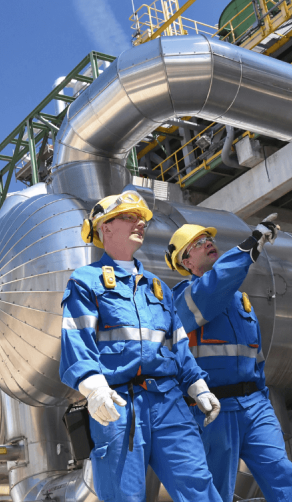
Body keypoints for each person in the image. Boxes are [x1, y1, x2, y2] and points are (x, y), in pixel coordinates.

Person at [59, 190, 224, 502]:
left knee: (199, 487)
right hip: (118, 403)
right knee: (123, 495)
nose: (140, 223)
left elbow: (177, 344)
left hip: (169, 401)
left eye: (142, 219)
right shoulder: (86, 281)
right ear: (104, 228)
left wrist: (198, 387)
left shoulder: (158, 287)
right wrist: (94, 388)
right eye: (129, 217)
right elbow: (76, 339)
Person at [165, 218, 292, 502]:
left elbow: (255, 357)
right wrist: (249, 246)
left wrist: (263, 398)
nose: (208, 243)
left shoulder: (240, 301)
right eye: (197, 243)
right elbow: (215, 285)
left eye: (209, 238)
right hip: (213, 410)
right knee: (213, 489)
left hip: (255, 406)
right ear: (185, 262)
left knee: (282, 471)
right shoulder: (183, 300)